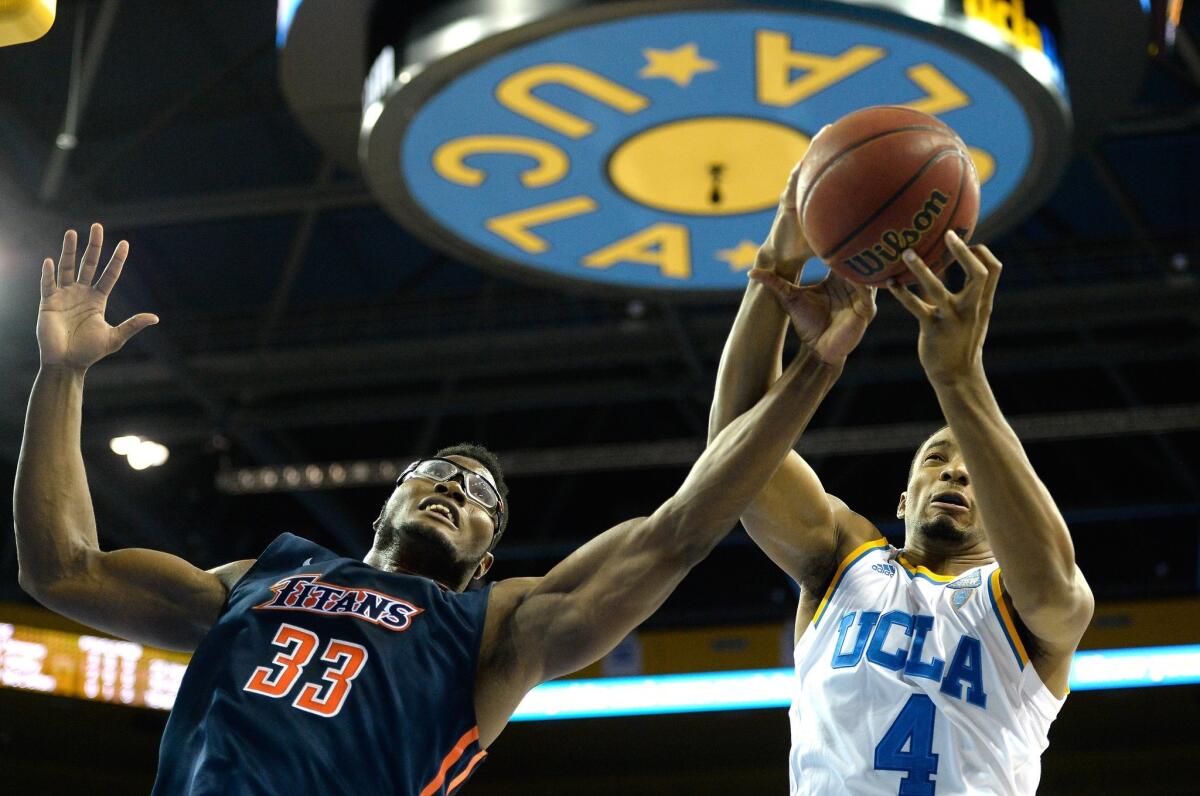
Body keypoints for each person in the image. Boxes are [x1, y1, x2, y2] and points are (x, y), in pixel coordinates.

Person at [13, 222, 876, 795]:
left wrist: (814, 369)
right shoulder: (264, 576)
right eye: (439, 473)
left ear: (483, 562)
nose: (457, 487)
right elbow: (64, 569)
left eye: (482, 499)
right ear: (392, 497)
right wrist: (63, 373)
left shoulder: (495, 630)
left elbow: (680, 530)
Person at [708, 170, 1094, 795]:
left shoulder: (1028, 616)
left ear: (1004, 507)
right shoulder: (844, 559)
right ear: (902, 497)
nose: (957, 472)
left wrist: (959, 379)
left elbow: (1055, 587)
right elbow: (731, 464)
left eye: (974, 468)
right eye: (937, 460)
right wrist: (778, 267)